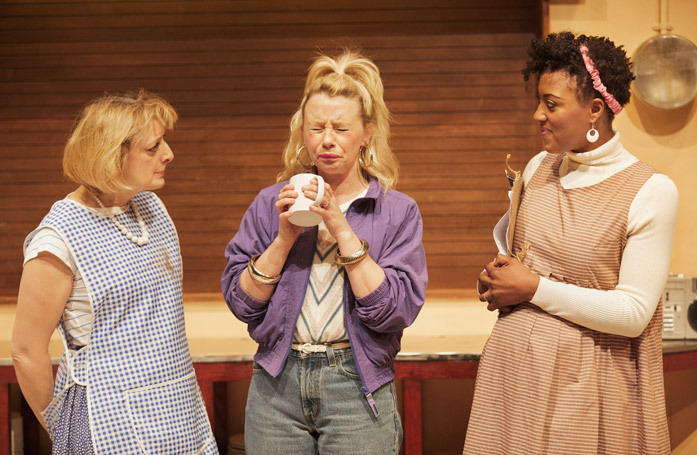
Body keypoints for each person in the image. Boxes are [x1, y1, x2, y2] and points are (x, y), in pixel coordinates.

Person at [463, 31, 678, 455]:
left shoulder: (650, 190)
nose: (537, 115)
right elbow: (524, 260)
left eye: (552, 103)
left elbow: (634, 313)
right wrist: (499, 280)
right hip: (515, 378)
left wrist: (534, 289)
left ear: (595, 109)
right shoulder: (539, 166)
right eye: (538, 101)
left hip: (590, 385)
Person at [222, 49, 427, 454]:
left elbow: (395, 310)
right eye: (317, 127)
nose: (327, 140)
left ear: (367, 132)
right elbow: (241, 303)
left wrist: (339, 225)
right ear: (303, 132)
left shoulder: (395, 210)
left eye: (341, 128)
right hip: (276, 384)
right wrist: (283, 238)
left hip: (356, 381)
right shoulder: (271, 203)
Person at [11, 90, 218, 454]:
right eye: (153, 148)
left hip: (177, 409)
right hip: (105, 422)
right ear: (111, 155)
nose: (168, 154)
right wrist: (64, 431)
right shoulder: (58, 238)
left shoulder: (150, 208)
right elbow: (26, 352)